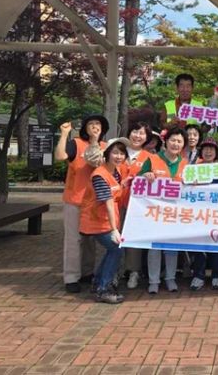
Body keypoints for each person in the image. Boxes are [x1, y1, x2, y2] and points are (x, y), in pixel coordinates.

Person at [54, 114, 108, 294]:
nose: (95, 126)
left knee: (89, 240)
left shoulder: (106, 147)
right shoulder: (76, 144)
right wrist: (64, 134)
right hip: (75, 200)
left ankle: (87, 272)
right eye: (91, 124)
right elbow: (60, 156)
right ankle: (71, 277)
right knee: (74, 240)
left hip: (95, 202)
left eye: (98, 124)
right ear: (85, 127)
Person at [79, 138, 131, 304]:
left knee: (113, 249)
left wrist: (124, 184)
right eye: (115, 152)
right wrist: (114, 229)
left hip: (106, 221)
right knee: (116, 249)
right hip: (96, 221)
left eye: (122, 153)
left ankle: (98, 283)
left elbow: (115, 191)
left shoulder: (115, 171)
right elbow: (108, 201)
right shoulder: (99, 175)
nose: (119, 156)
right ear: (107, 153)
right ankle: (104, 289)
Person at [139, 127, 189, 294]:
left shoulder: (185, 164)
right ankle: (153, 280)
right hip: (154, 211)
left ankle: (170, 278)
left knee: (171, 246)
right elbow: (138, 180)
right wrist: (145, 176)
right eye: (173, 140)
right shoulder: (152, 159)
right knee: (154, 246)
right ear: (166, 142)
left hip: (176, 212)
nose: (175, 144)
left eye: (179, 141)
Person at [189, 137, 218, 291]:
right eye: (205, 149)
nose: (208, 152)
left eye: (211, 149)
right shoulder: (194, 168)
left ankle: (217, 275)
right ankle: (198, 275)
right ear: (201, 152)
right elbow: (185, 186)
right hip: (199, 214)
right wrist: (192, 183)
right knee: (199, 245)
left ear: (216, 152)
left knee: (217, 244)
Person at [121, 122, 154, 290]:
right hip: (115, 202)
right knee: (115, 238)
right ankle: (114, 271)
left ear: (146, 138)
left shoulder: (150, 157)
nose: (138, 136)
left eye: (142, 133)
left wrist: (150, 175)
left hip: (136, 206)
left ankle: (133, 271)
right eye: (135, 131)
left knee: (133, 238)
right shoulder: (118, 152)